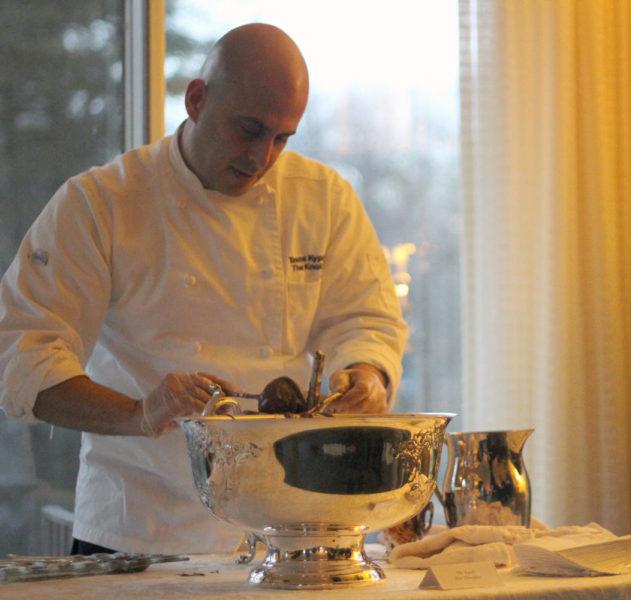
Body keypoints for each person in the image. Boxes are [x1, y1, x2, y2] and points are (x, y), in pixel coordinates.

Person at [0, 23, 408, 555]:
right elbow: (21, 352)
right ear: (196, 99)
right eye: (249, 129)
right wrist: (137, 413)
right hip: (138, 531)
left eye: (282, 138)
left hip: (288, 529)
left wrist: (367, 374)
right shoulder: (102, 203)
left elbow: (366, 320)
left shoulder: (323, 199)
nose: (262, 156)